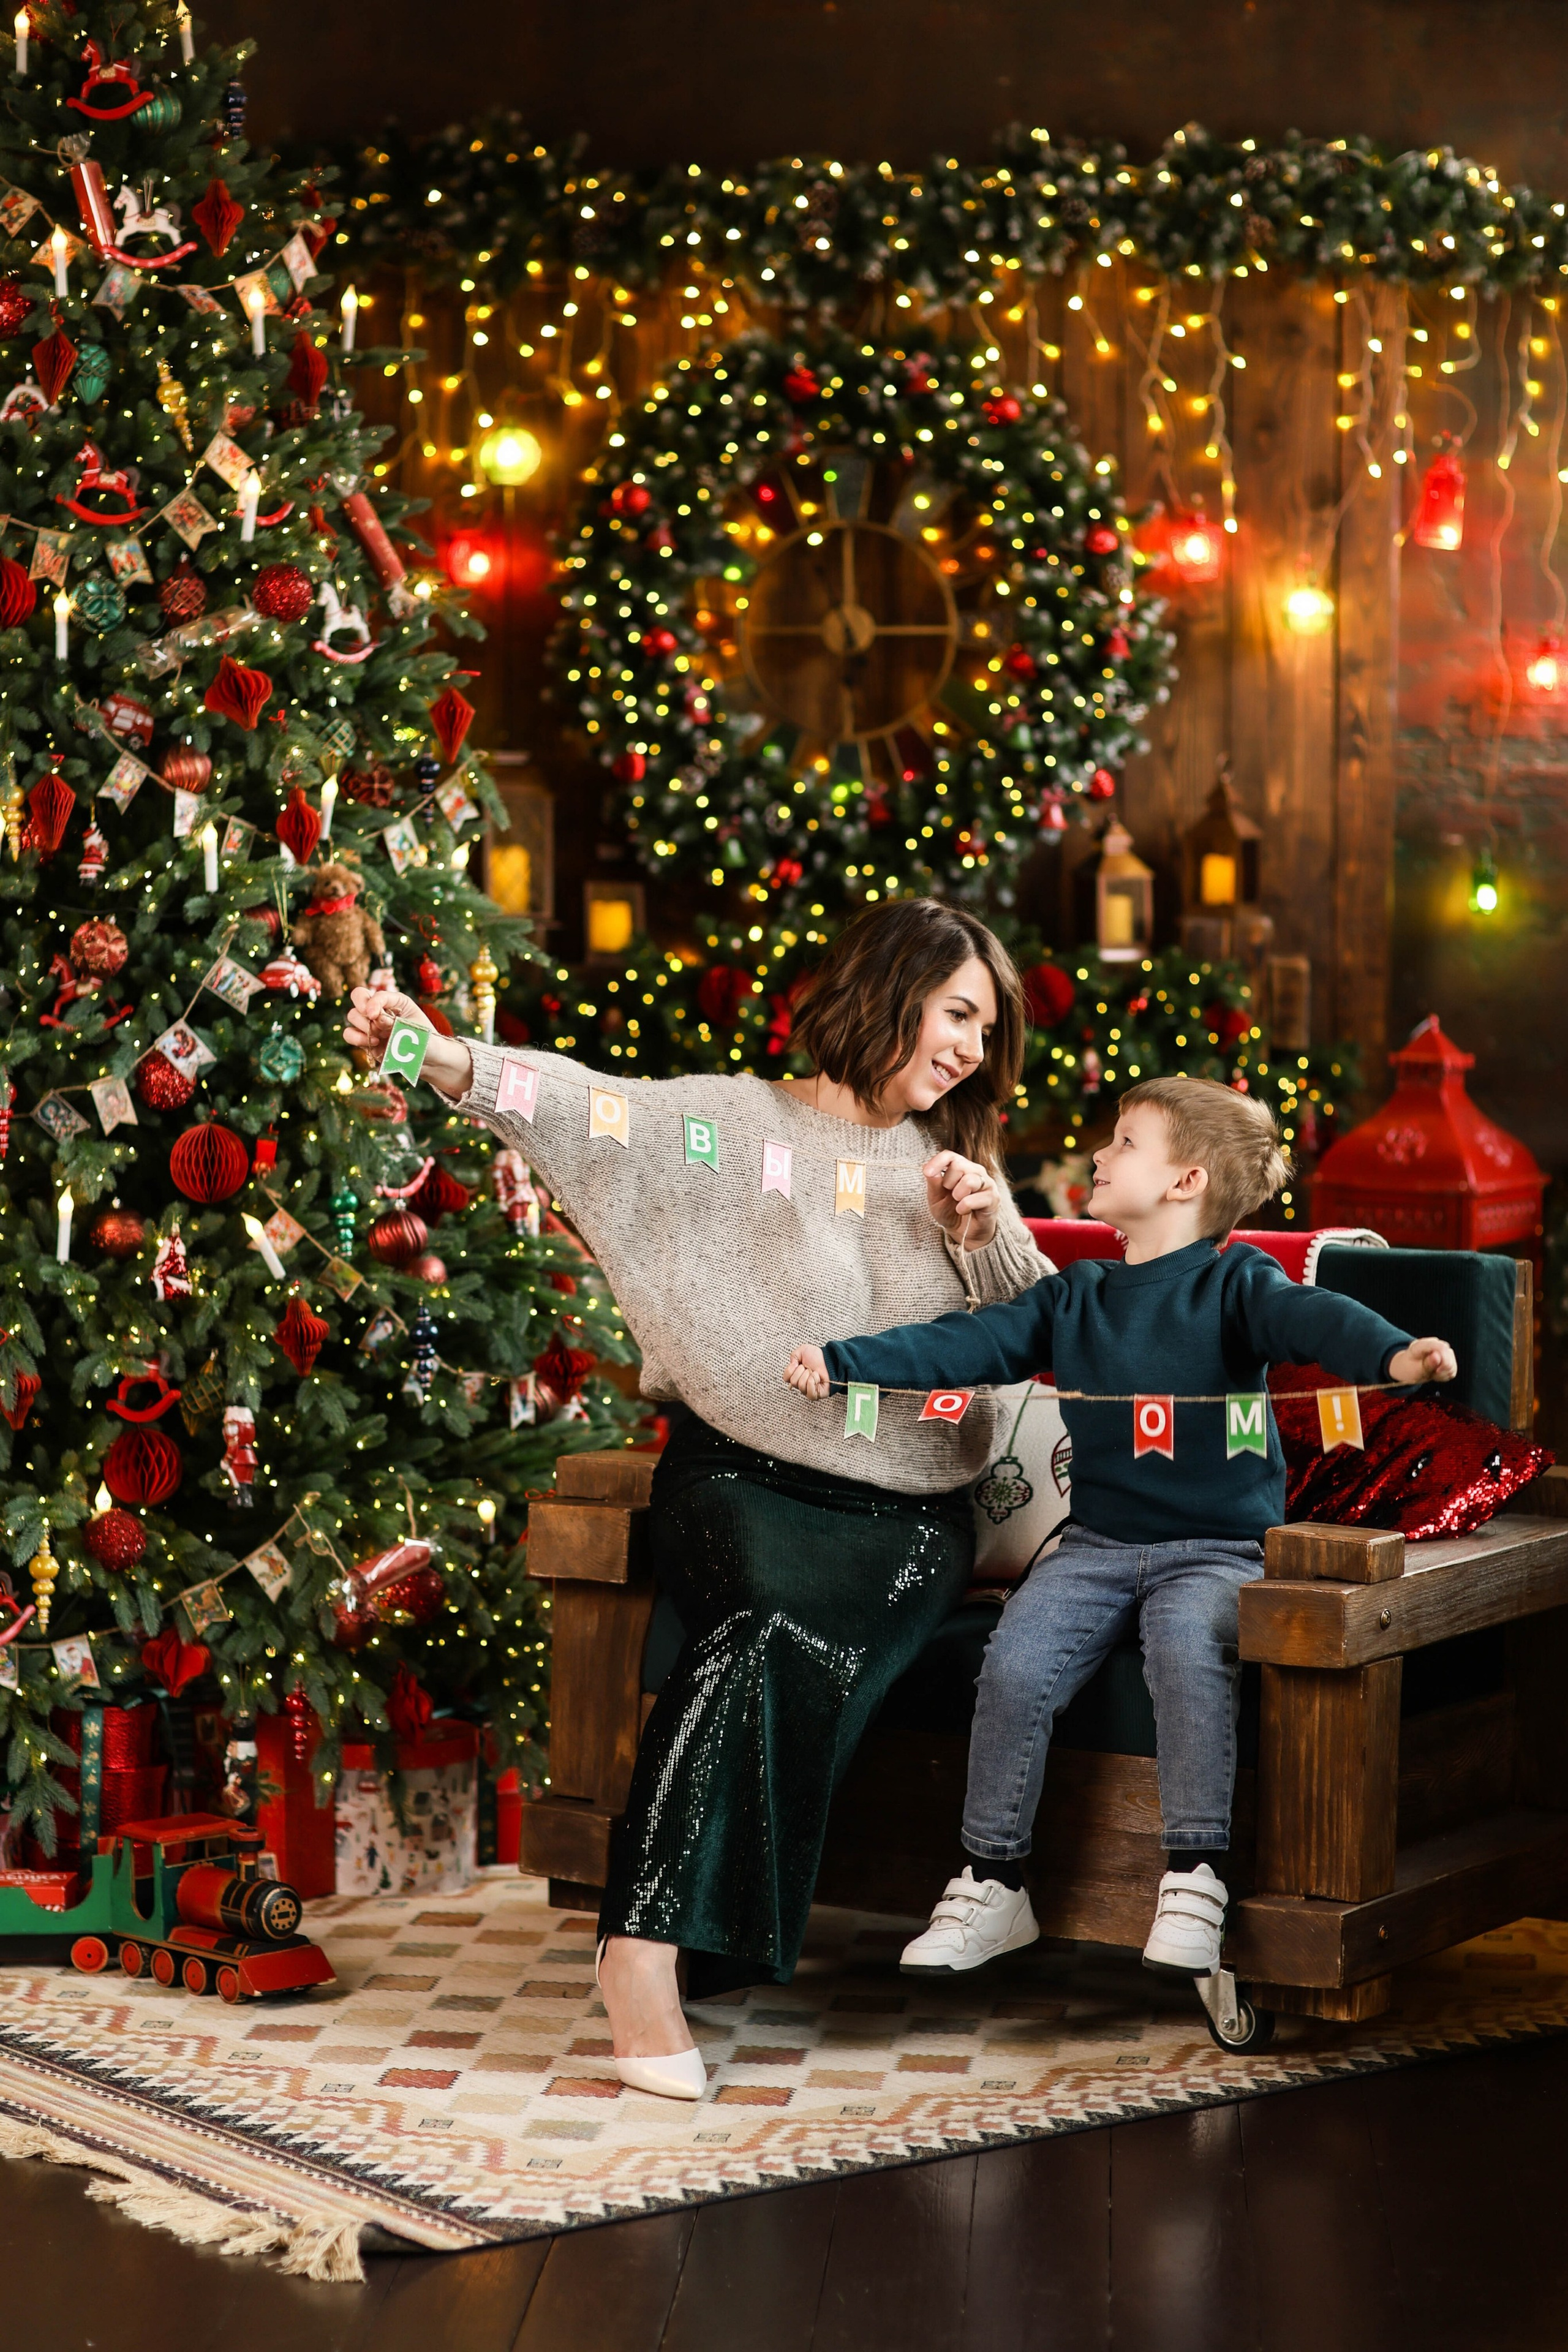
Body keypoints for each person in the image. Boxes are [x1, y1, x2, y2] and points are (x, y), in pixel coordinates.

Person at [343, 899, 1047, 2098]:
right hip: (738, 1480)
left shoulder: (955, 1166)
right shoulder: (726, 1120)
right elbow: (570, 1108)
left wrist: (978, 1233)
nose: (973, 1049)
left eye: (988, 1030)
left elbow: (1037, 1319)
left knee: (794, 1644)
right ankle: (644, 1954)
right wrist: (432, 1049)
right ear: (890, 989)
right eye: (959, 1015)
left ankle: (673, 1940)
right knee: (761, 1626)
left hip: (904, 1521)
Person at [785, 1076, 1458, 1982]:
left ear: (1185, 1183)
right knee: (1016, 1663)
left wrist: (1392, 1353)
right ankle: (993, 1881)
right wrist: (846, 1362)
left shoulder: (1237, 1282)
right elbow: (968, 1344)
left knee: (1188, 1644)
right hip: (1095, 1546)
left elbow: (1314, 1319)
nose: (1100, 1155)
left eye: (1125, 1142)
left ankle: (1196, 1875)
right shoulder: (1077, 1295)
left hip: (1218, 1553)